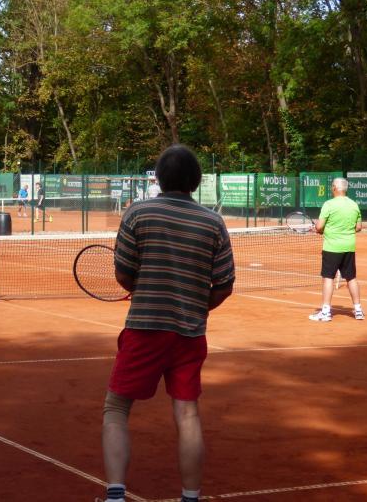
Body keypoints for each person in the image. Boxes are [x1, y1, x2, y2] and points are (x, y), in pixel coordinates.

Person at [99, 144, 235, 502]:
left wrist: (141, 289)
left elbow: (123, 272)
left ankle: (115, 496)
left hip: (144, 330)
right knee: (187, 413)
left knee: (116, 409)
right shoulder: (213, 223)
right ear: (196, 181)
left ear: (158, 179)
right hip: (190, 334)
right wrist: (198, 306)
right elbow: (224, 285)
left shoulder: (137, 213)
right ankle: (190, 497)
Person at [309, 177, 364, 321]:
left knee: (328, 278)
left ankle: (325, 312)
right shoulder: (354, 205)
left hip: (332, 248)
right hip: (349, 247)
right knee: (351, 278)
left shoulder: (329, 204)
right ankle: (358, 310)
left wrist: (318, 229)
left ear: (334, 187)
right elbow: (358, 227)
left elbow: (319, 226)